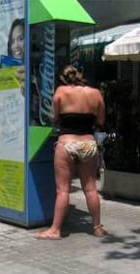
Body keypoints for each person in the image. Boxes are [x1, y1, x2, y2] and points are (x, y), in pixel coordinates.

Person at [34, 65, 107, 240]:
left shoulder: (61, 91)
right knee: (90, 189)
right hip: (88, 143)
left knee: (63, 190)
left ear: (63, 79)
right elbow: (101, 120)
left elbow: (54, 116)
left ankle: (55, 230)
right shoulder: (96, 93)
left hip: (67, 142)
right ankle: (97, 227)